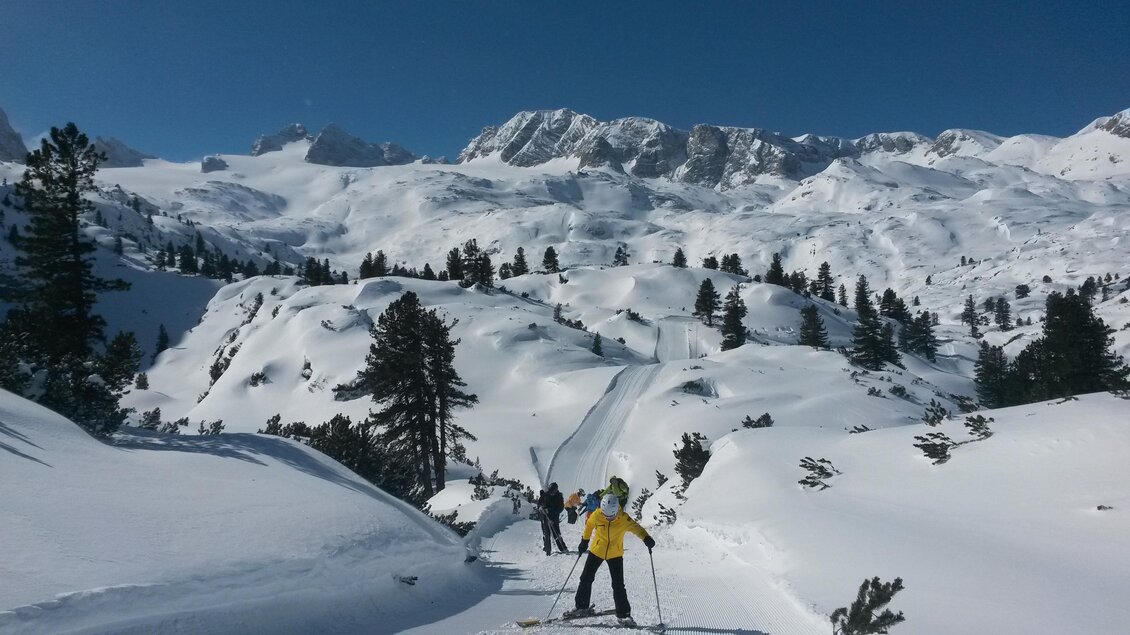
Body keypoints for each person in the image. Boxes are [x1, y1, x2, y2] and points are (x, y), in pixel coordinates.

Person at [563, 493, 656, 627]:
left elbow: (636, 528)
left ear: (616, 511)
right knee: (586, 578)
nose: (608, 518)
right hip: (597, 550)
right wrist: (584, 541)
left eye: (611, 516)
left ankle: (624, 614)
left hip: (615, 553)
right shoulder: (597, 514)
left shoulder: (623, 518)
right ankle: (581, 607)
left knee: (618, 585)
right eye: (606, 515)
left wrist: (646, 538)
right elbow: (589, 525)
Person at [536, 482, 569, 555]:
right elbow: (539, 503)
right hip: (544, 517)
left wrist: (549, 510)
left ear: (556, 490)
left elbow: (560, 508)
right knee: (545, 533)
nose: (552, 493)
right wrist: (540, 508)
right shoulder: (545, 495)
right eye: (550, 491)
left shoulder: (559, 497)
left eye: (553, 492)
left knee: (556, 533)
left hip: (554, 518)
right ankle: (547, 548)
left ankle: (563, 548)